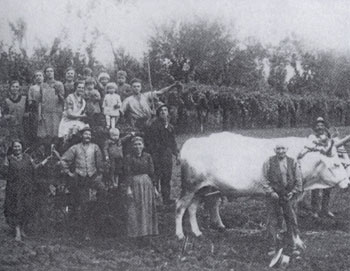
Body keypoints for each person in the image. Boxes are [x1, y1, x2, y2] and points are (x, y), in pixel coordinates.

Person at [60, 127, 105, 239]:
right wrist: (69, 173)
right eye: (85, 134)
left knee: (97, 200)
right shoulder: (75, 148)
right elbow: (64, 160)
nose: (87, 136)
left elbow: (100, 164)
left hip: (93, 178)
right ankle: (81, 231)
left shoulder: (95, 148)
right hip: (80, 179)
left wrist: (99, 176)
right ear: (81, 136)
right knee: (81, 204)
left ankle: (95, 229)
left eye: (89, 134)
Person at [2, 140, 50, 241]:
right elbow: (4, 172)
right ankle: (17, 232)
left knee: (26, 207)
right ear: (12, 148)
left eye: (19, 146)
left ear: (22, 147)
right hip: (13, 188)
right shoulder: (9, 159)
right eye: (15, 147)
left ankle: (22, 229)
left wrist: (45, 161)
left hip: (26, 187)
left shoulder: (27, 157)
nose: (17, 149)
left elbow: (35, 168)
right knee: (15, 208)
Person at [262, 144, 303, 254]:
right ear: (274, 150)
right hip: (273, 196)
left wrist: (293, 192)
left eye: (283, 148)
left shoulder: (292, 162)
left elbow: (299, 179)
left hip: (287, 195)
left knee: (291, 220)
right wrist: (271, 192)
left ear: (287, 149)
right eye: (278, 149)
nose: (281, 151)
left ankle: (293, 245)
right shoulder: (269, 161)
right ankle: (272, 247)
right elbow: (264, 179)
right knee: (272, 220)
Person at [123, 136, 158, 242]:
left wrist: (154, 188)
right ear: (132, 146)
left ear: (143, 146)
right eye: (135, 144)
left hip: (147, 184)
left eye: (140, 144)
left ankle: (147, 233)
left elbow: (152, 173)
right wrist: (128, 188)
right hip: (134, 184)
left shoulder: (148, 156)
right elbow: (127, 173)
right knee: (135, 208)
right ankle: (136, 234)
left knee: (147, 208)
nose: (138, 146)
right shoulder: (128, 157)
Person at [145, 104, 179, 205]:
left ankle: (166, 199)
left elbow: (173, 141)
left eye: (165, 110)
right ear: (158, 114)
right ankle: (154, 200)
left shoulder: (170, 127)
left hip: (167, 156)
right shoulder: (154, 126)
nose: (163, 112)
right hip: (157, 156)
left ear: (168, 113)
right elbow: (150, 142)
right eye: (161, 111)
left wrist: (176, 153)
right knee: (156, 177)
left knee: (166, 177)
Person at [308, 117, 334, 218]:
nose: (320, 127)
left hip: (327, 165)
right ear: (315, 127)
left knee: (327, 188)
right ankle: (314, 210)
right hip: (317, 165)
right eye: (318, 126)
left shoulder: (328, 136)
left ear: (324, 127)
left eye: (322, 125)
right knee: (315, 188)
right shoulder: (311, 137)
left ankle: (325, 209)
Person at [33, 66, 64, 139]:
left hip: (56, 113)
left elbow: (63, 101)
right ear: (45, 74)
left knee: (56, 135)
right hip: (45, 113)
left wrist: (58, 93)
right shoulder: (42, 85)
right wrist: (40, 115)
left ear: (54, 73)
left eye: (51, 71)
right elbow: (40, 101)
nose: (49, 73)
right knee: (46, 136)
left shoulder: (59, 84)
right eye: (47, 71)